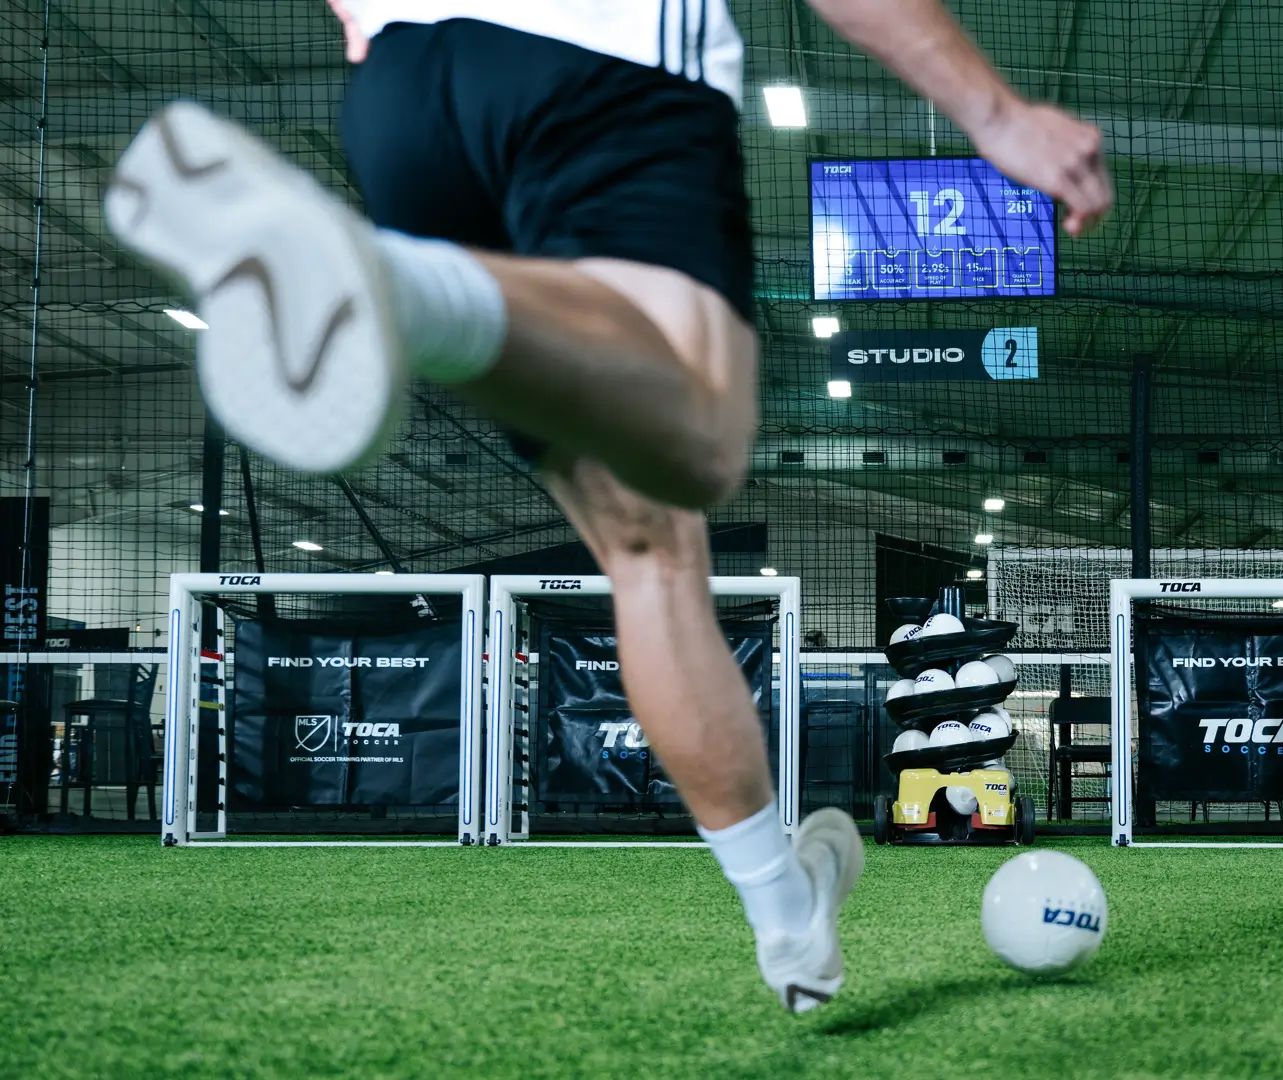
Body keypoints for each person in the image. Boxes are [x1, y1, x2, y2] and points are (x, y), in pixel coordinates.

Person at [104, 0, 1111, 1013]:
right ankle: (395, 286)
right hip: (605, 62)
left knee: (648, 549)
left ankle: (787, 918)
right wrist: (993, 112)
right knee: (705, 438)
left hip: (402, 99)